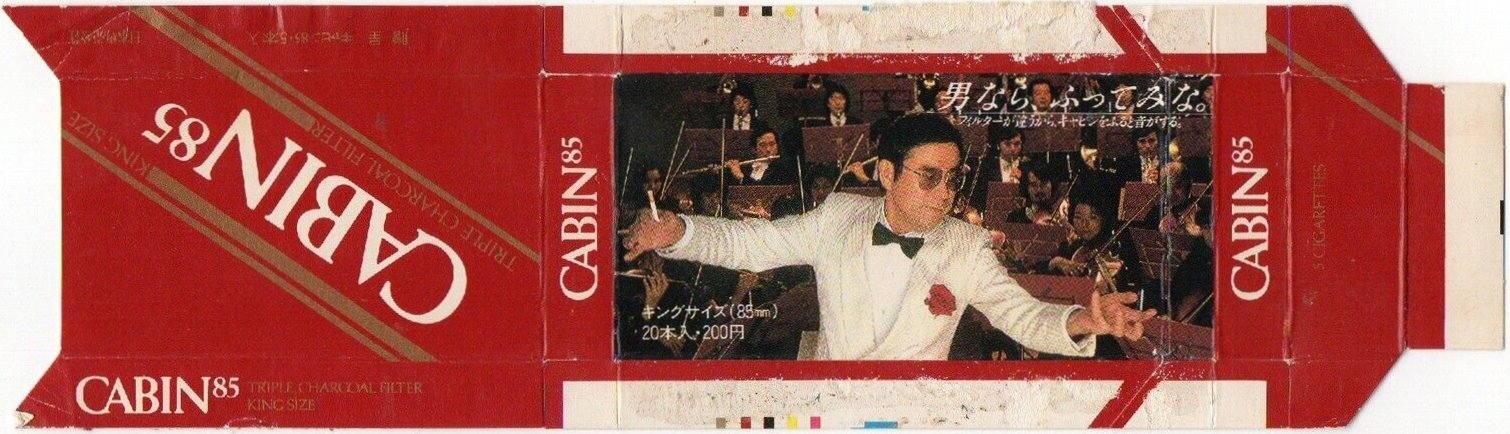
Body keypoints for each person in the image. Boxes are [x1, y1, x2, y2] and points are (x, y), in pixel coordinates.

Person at [622, 113, 1155, 360]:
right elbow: (751, 244)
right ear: (886, 174)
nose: (945, 194)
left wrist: (1087, 321)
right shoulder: (836, 216)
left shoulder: (966, 245)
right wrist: (679, 230)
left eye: (953, 179)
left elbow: (1020, 314)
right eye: (929, 177)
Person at [726, 126, 798, 186]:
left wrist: (741, 178)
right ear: (754, 149)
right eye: (763, 145)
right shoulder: (745, 168)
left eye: (772, 144)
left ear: (777, 146)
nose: (768, 149)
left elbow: (762, 192)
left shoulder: (784, 170)